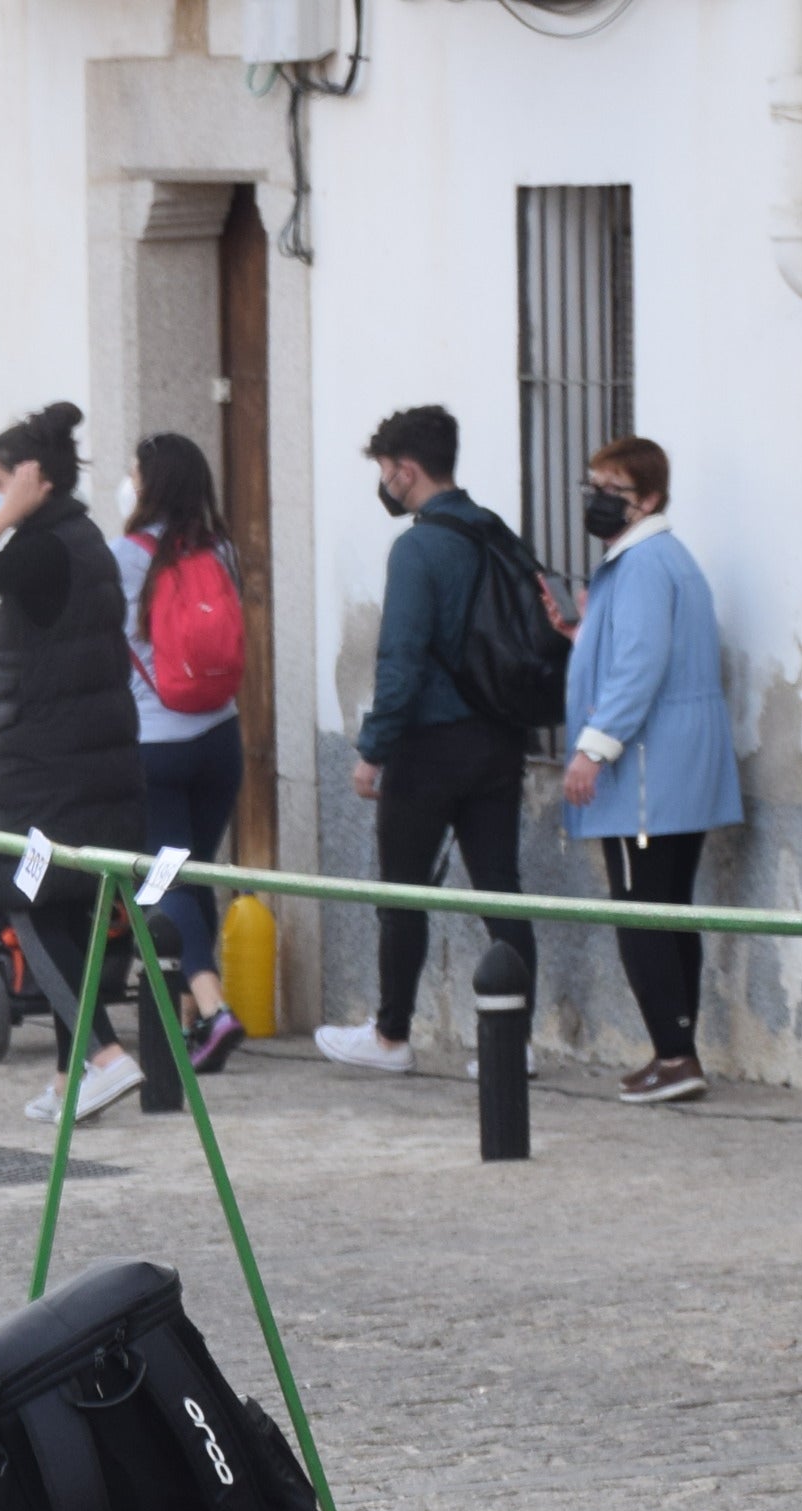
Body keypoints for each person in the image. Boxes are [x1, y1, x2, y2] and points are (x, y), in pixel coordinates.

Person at [0, 400, 147, 1122]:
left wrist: (4, 515)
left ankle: (105, 1053)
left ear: (35, 482)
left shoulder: (44, 546)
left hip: (46, 768)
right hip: (86, 763)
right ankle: (69, 1076)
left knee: (23, 902)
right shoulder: (81, 540)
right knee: (66, 910)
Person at [319, 403, 538, 1078]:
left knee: (403, 892)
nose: (384, 482)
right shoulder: (495, 531)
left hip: (430, 746)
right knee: (500, 888)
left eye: (386, 469)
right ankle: (515, 1041)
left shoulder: (417, 548)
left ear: (406, 470)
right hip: (499, 737)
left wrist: (373, 750)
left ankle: (391, 1037)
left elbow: (402, 659)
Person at [553, 434, 742, 1105]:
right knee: (667, 911)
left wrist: (592, 751)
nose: (599, 501)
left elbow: (639, 667)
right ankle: (676, 1050)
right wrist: (582, 635)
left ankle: (675, 1057)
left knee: (641, 915)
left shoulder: (640, 566)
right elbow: (639, 649)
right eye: (593, 486)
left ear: (651, 498)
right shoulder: (664, 559)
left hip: (644, 773)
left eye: (615, 491)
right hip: (676, 768)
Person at [116, 432, 246, 1066]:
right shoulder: (223, 550)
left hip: (156, 749)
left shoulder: (124, 556)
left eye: (134, 473)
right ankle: (189, 1023)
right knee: (192, 876)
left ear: (150, 485)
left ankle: (214, 1009)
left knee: (162, 881)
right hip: (221, 740)